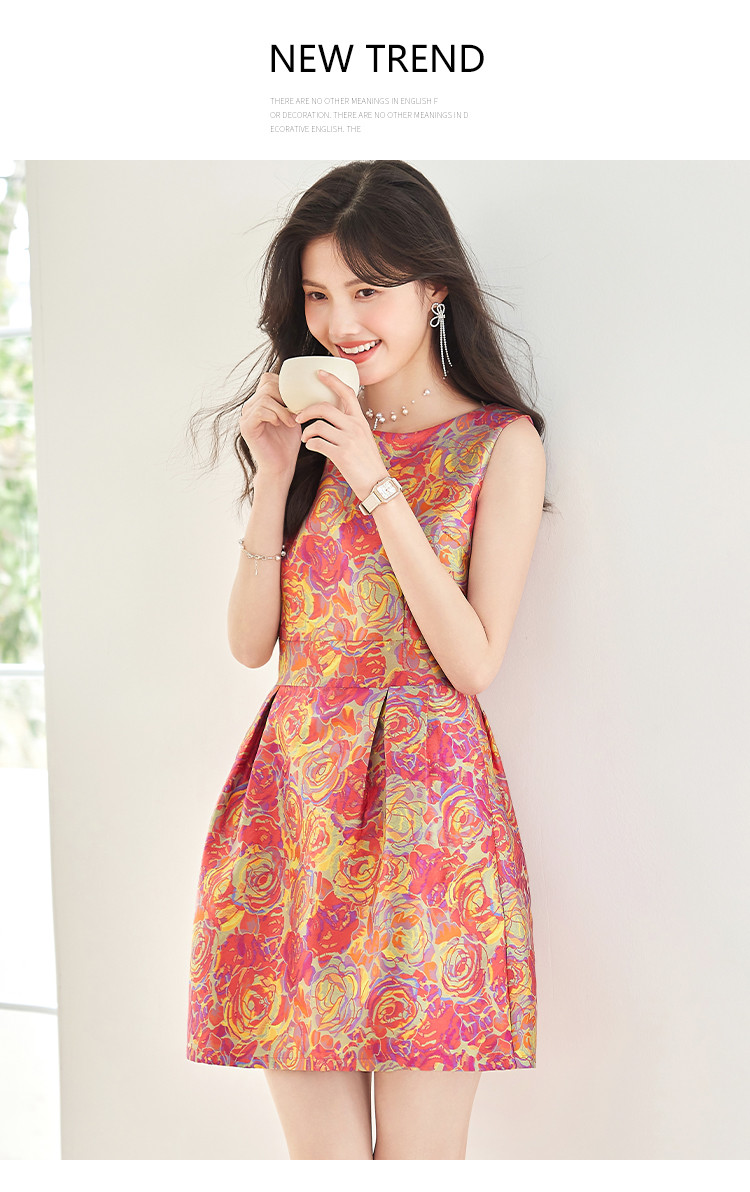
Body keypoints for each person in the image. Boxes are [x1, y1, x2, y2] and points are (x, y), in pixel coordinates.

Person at [186, 159, 550, 1160]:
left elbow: (472, 662)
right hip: (297, 808)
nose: (339, 321)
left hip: (429, 821)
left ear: (434, 288)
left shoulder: (500, 443)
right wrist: (276, 479)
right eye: (317, 295)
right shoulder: (306, 441)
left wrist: (373, 475)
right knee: (327, 1168)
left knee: (418, 1167)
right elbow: (251, 643)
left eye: (367, 289)